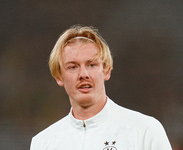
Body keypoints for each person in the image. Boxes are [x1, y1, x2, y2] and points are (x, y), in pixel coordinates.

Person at [30, 25, 172, 150]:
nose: (83, 74)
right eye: (73, 67)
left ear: (106, 70)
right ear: (59, 76)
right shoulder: (42, 143)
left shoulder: (145, 130)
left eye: (91, 65)